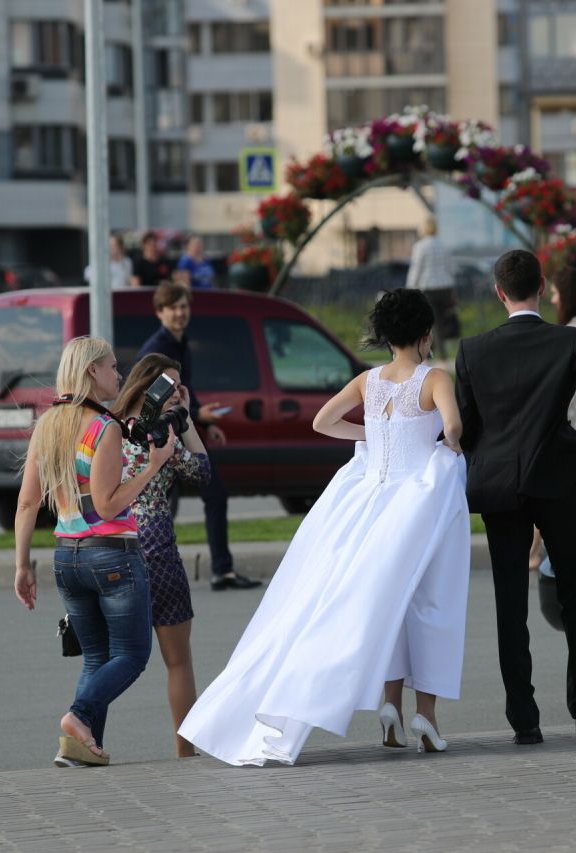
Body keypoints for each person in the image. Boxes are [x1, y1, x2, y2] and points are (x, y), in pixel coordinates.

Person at [178, 289, 469, 765]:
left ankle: (389, 707)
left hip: (366, 503)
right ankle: (426, 717)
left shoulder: (368, 380)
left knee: (378, 601)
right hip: (416, 501)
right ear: (425, 333)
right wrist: (446, 443)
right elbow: (453, 428)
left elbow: (322, 422)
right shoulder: (434, 377)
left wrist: (373, 434)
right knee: (426, 601)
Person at [456, 249, 576, 746]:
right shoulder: (569, 340)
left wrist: (484, 456)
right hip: (557, 479)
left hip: (499, 484)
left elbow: (465, 424)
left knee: (510, 603)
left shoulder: (472, 349)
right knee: (574, 592)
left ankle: (524, 721)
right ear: (540, 284)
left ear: (498, 292)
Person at [13, 336, 176, 768]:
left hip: (66, 556)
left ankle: (81, 747)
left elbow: (27, 503)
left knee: (98, 658)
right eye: (112, 367)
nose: (119, 375)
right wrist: (155, 464)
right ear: (91, 372)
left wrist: (21, 565)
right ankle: (78, 716)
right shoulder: (103, 428)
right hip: (112, 555)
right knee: (131, 655)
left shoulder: (48, 426)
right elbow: (108, 504)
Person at [113, 354, 211, 759]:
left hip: (113, 544)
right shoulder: (163, 438)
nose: (174, 395)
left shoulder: (108, 428)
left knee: (109, 658)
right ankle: (185, 752)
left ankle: (85, 730)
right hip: (155, 543)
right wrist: (186, 420)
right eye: (169, 387)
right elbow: (203, 470)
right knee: (178, 661)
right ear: (149, 385)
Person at [136, 282, 260, 591]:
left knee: (212, 494)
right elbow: (151, 397)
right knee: (159, 506)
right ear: (160, 312)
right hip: (160, 439)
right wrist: (192, 417)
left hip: (179, 432)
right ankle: (147, 571)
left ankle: (222, 570)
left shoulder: (181, 343)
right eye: (173, 307)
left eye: (184, 306)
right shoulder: (158, 348)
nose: (180, 313)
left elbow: (183, 391)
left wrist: (202, 418)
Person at [526, 267, 576, 573]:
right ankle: (538, 549)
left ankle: (535, 551)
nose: (554, 298)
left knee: (548, 485)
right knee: (554, 487)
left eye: (557, 292)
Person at [404, 218, 458, 360]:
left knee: (427, 323)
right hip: (445, 288)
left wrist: (409, 290)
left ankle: (428, 355)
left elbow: (416, 269)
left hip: (428, 289)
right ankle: (440, 355)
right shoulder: (444, 245)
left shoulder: (420, 246)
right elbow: (451, 269)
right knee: (440, 322)